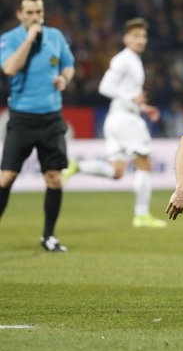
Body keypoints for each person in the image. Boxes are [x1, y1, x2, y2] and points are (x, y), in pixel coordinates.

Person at [61, 18, 167, 228]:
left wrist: (144, 107)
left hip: (117, 118)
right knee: (144, 161)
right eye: (136, 36)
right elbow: (105, 86)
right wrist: (131, 100)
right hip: (125, 119)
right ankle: (142, 215)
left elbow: (127, 94)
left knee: (117, 171)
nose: (141, 40)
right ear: (125, 38)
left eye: (143, 36)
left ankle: (77, 166)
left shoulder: (133, 60)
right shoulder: (123, 59)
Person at [0, 0, 75, 252]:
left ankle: (48, 236)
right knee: (6, 177)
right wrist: (29, 39)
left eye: (39, 12)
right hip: (21, 118)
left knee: (54, 178)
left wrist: (64, 79)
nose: (35, 17)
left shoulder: (55, 37)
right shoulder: (9, 40)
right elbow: (9, 69)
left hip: (51, 118)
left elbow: (68, 65)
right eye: (30, 12)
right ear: (20, 14)